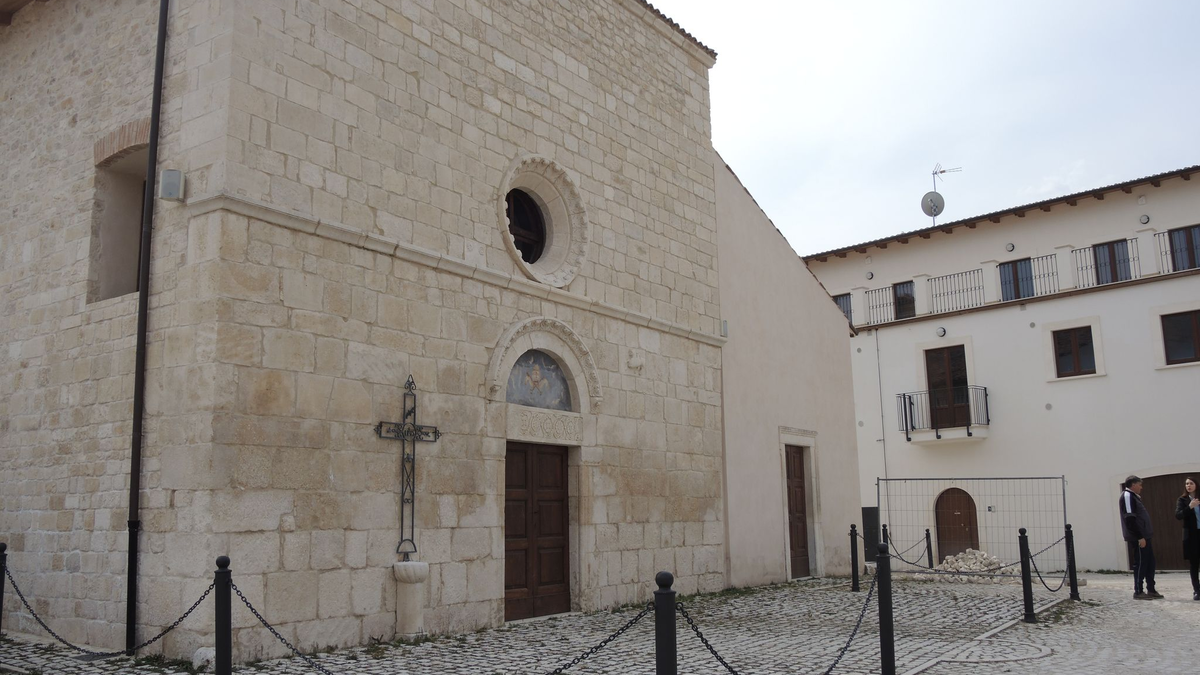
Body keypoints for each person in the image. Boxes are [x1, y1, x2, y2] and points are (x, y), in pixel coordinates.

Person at [1118, 475, 1160, 599]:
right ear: (1133, 484)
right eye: (1140, 485)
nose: (1141, 487)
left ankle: (1151, 589)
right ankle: (1138, 591)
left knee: (1150, 563)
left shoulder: (1134, 497)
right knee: (1140, 563)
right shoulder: (1127, 496)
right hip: (1139, 537)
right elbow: (1130, 519)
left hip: (1145, 536)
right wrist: (1139, 536)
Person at [1176, 477, 1200, 601]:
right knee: (1194, 563)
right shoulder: (1182, 500)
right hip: (1191, 535)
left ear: (1196, 484)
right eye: (1186, 484)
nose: (1188, 486)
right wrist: (1189, 507)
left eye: (1191, 483)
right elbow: (1178, 515)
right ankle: (1197, 590)